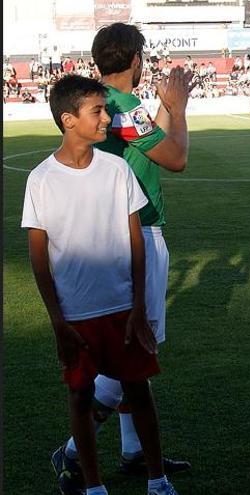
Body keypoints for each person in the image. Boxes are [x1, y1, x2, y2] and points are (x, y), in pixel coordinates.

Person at [51, 23, 193, 495]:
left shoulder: (105, 106)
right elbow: (175, 158)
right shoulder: (123, 107)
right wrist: (177, 108)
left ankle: (133, 450)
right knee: (138, 350)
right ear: (135, 58)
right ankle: (73, 449)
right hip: (138, 230)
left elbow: (147, 145)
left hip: (111, 232)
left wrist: (163, 112)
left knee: (134, 350)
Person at [24, 74, 178, 495]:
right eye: (98, 111)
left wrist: (138, 308)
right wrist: (57, 321)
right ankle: (93, 486)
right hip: (75, 314)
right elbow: (39, 256)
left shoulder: (116, 169)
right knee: (79, 397)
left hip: (121, 308)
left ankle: (157, 480)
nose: (107, 118)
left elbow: (135, 242)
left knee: (138, 390)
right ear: (68, 119)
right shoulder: (40, 179)